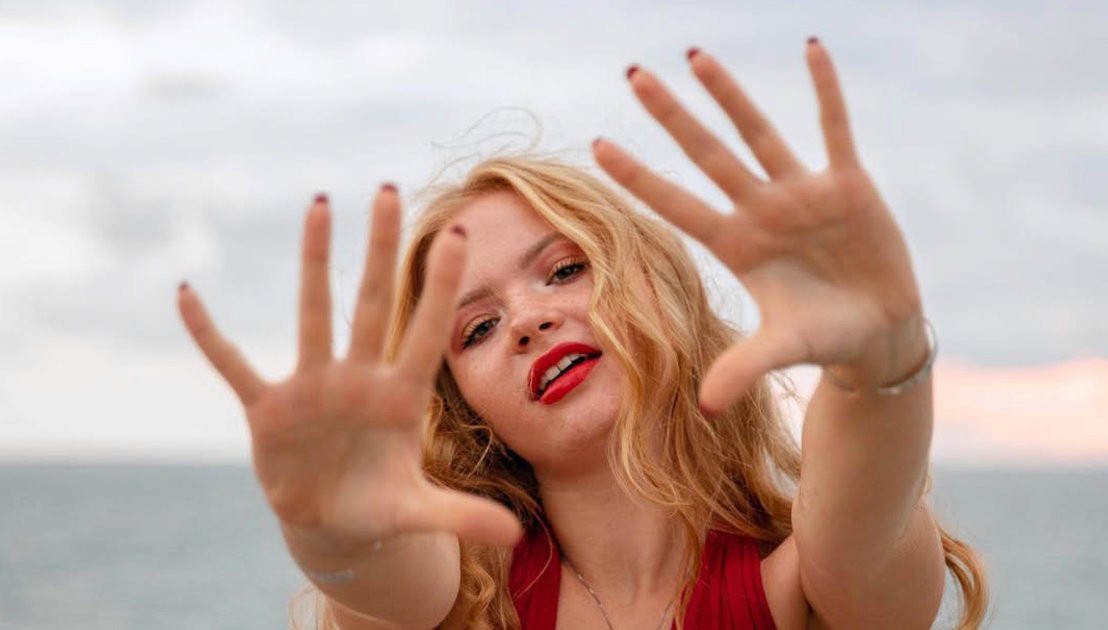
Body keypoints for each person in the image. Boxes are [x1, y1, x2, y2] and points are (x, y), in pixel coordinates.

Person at [178, 40, 988, 629]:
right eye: (480, 327)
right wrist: (330, 528)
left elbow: (865, 518)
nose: (529, 319)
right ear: (465, 410)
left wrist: (882, 359)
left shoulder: (804, 589)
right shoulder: (465, 606)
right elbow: (380, 576)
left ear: (660, 286)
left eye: (564, 270)